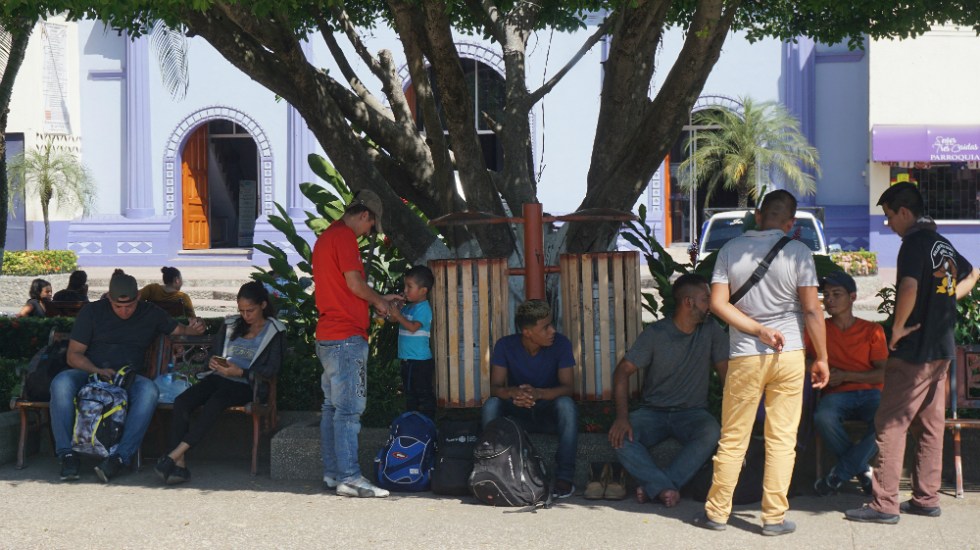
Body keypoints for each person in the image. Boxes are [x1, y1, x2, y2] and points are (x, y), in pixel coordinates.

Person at [694, 190, 829, 536]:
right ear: (791, 223)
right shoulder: (799, 252)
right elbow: (812, 309)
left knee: (733, 436)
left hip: (744, 355)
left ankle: (717, 513)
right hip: (790, 354)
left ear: (758, 215)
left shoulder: (730, 249)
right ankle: (774, 518)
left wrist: (756, 329)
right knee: (782, 439)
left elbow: (718, 304)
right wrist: (823, 357)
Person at [846, 182, 979, 524]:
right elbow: (973, 274)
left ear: (905, 212)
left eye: (889, 216)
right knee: (930, 425)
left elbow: (908, 286)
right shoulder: (941, 243)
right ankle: (925, 498)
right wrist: (943, 301)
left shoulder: (914, 243)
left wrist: (898, 328)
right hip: (941, 350)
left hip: (914, 351)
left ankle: (884, 504)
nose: (888, 224)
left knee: (890, 423)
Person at [51, 269, 207, 483]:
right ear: (108, 298)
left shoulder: (150, 313)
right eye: (118, 306)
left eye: (130, 306)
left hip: (128, 376)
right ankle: (67, 455)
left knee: (148, 391)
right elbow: (73, 355)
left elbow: (182, 330)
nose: (124, 311)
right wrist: (97, 371)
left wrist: (196, 328)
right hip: (89, 372)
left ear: (139, 297)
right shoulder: (92, 312)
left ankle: (119, 458)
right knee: (61, 383)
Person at [609, 274, 728, 507]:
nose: (711, 305)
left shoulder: (711, 330)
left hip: (693, 413)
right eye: (705, 299)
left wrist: (734, 418)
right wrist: (622, 418)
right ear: (688, 302)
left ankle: (658, 486)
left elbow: (726, 375)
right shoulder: (656, 334)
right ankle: (666, 487)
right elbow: (622, 372)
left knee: (711, 431)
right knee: (620, 438)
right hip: (652, 412)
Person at [313, 189, 400, 498]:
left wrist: (377, 298)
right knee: (349, 411)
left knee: (331, 407)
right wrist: (380, 303)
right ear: (364, 215)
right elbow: (354, 284)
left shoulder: (327, 237)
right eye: (371, 225)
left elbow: (345, 289)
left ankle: (334, 472)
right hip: (346, 338)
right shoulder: (345, 237)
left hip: (328, 335)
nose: (369, 232)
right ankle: (350, 477)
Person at [155, 281, 285, 484]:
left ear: (263, 305)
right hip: (219, 377)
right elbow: (212, 355)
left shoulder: (274, 331)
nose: (245, 315)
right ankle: (179, 465)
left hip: (247, 385)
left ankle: (172, 456)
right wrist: (213, 362)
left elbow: (272, 369)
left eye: (250, 310)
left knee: (216, 402)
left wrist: (240, 371)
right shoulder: (231, 324)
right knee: (182, 401)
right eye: (241, 310)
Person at [481, 299, 578, 499]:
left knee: (567, 405)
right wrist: (513, 393)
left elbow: (568, 388)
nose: (552, 330)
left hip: (547, 412)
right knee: (491, 405)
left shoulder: (561, 344)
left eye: (551, 324)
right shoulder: (505, 345)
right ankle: (489, 469)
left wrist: (538, 394)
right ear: (527, 332)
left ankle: (565, 477)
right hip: (517, 414)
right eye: (545, 327)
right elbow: (495, 388)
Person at [809, 271, 887, 497]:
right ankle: (862, 470)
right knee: (823, 418)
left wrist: (846, 375)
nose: (829, 300)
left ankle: (839, 474)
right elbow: (802, 361)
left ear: (852, 297)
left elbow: (883, 374)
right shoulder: (818, 329)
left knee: (886, 422)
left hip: (871, 394)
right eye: (826, 295)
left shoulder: (873, 330)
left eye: (836, 294)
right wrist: (818, 367)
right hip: (835, 394)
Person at [388, 265, 436, 419]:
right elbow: (391, 319)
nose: (405, 290)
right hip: (408, 360)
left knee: (423, 395)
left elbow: (413, 327)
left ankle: (427, 423)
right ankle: (413, 422)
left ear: (423, 291)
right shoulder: (407, 308)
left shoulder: (424, 308)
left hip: (420, 362)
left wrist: (398, 315)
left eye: (410, 286)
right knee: (410, 394)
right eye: (405, 286)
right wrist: (395, 309)